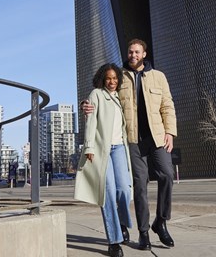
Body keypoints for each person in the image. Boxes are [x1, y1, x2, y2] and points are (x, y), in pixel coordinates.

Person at [84, 39, 177, 251]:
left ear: (144, 54)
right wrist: (85, 105)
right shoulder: (120, 75)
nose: (133, 55)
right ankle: (144, 232)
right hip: (132, 141)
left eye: (137, 52)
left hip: (157, 137)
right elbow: (101, 92)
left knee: (167, 175)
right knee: (139, 185)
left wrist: (170, 132)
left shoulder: (158, 77)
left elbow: (168, 105)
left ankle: (160, 221)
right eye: (130, 52)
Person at [74, 63, 133, 257]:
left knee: (124, 188)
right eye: (109, 78)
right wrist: (89, 146)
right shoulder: (96, 95)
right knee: (106, 193)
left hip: (119, 148)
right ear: (102, 79)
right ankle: (114, 241)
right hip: (102, 150)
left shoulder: (118, 97)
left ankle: (122, 222)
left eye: (115, 78)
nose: (112, 81)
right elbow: (91, 122)